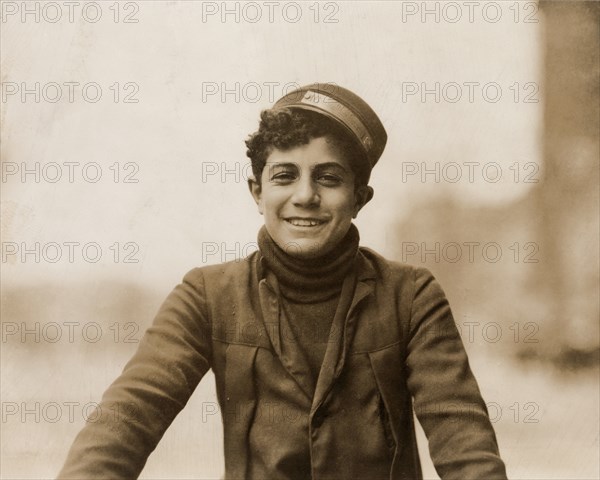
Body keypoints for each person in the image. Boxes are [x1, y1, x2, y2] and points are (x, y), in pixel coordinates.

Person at [58, 83, 508, 479]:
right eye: (284, 176)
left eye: (328, 178)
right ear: (257, 192)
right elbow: (126, 419)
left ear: (360, 198)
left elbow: (463, 438)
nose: (305, 196)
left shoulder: (411, 296)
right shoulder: (207, 296)